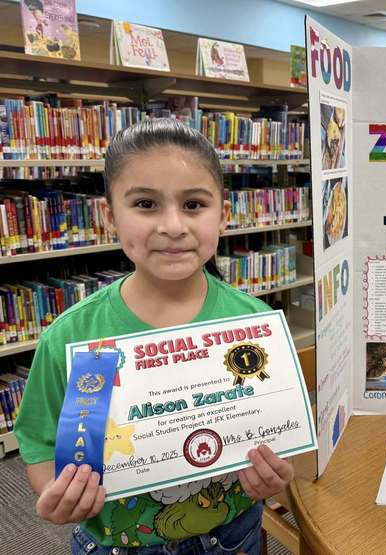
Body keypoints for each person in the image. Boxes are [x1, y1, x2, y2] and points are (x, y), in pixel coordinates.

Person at [14, 118, 294, 554]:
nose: (172, 225)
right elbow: (40, 445)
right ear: (109, 216)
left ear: (223, 212)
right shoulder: (72, 336)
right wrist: (59, 493)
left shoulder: (254, 324)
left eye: (194, 205)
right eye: (145, 204)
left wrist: (273, 472)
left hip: (233, 533)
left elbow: (275, 429)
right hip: (116, 543)